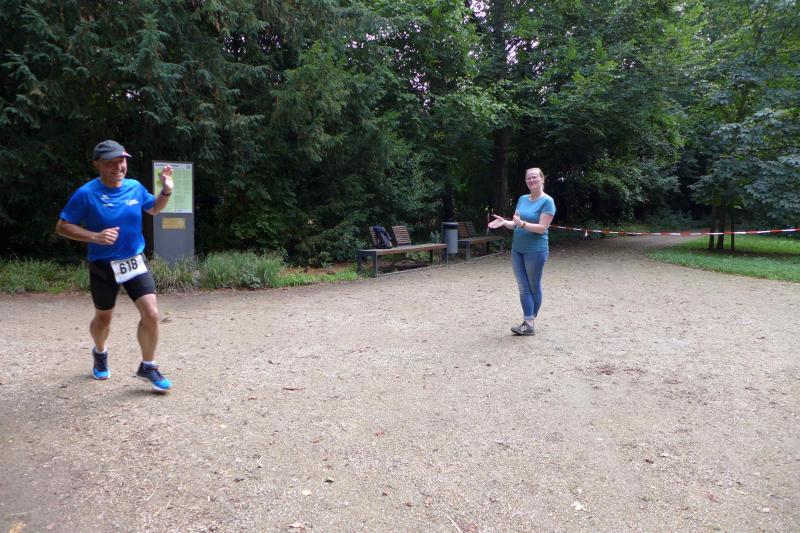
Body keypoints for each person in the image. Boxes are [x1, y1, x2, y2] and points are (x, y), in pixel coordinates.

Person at [56, 140, 174, 392]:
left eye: (121, 162)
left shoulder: (134, 187)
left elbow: (154, 209)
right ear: (97, 165)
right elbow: (62, 227)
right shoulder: (86, 194)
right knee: (103, 319)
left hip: (134, 261)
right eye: (111, 163)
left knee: (152, 314)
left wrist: (166, 191)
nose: (118, 167)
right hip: (103, 265)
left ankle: (148, 365)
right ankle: (100, 352)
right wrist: (94, 236)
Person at [488, 167, 556, 336]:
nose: (531, 180)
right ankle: (528, 322)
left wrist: (523, 224)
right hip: (517, 250)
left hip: (536, 251)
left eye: (534, 177)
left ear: (542, 179)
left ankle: (529, 322)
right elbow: (516, 223)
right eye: (528, 178)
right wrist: (505, 222)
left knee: (533, 286)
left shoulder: (547, 201)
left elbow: (542, 228)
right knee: (523, 287)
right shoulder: (522, 199)